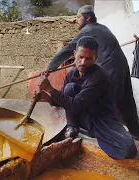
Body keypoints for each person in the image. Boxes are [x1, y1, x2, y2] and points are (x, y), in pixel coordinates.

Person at [46, 5, 139, 139]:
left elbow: (70, 48)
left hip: (110, 68)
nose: (76, 20)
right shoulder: (102, 27)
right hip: (122, 66)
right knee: (126, 101)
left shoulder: (88, 29)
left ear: (87, 17)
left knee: (106, 102)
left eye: (78, 17)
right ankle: (136, 132)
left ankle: (105, 135)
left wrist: (50, 67)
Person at [38, 36, 137, 160]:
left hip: (101, 119)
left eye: (88, 58)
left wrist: (50, 89)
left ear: (96, 58)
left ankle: (90, 131)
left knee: (128, 150)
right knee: (70, 88)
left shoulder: (99, 77)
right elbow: (64, 99)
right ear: (75, 54)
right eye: (80, 57)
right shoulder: (72, 74)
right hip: (81, 115)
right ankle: (72, 127)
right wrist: (47, 97)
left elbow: (75, 105)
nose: (83, 62)